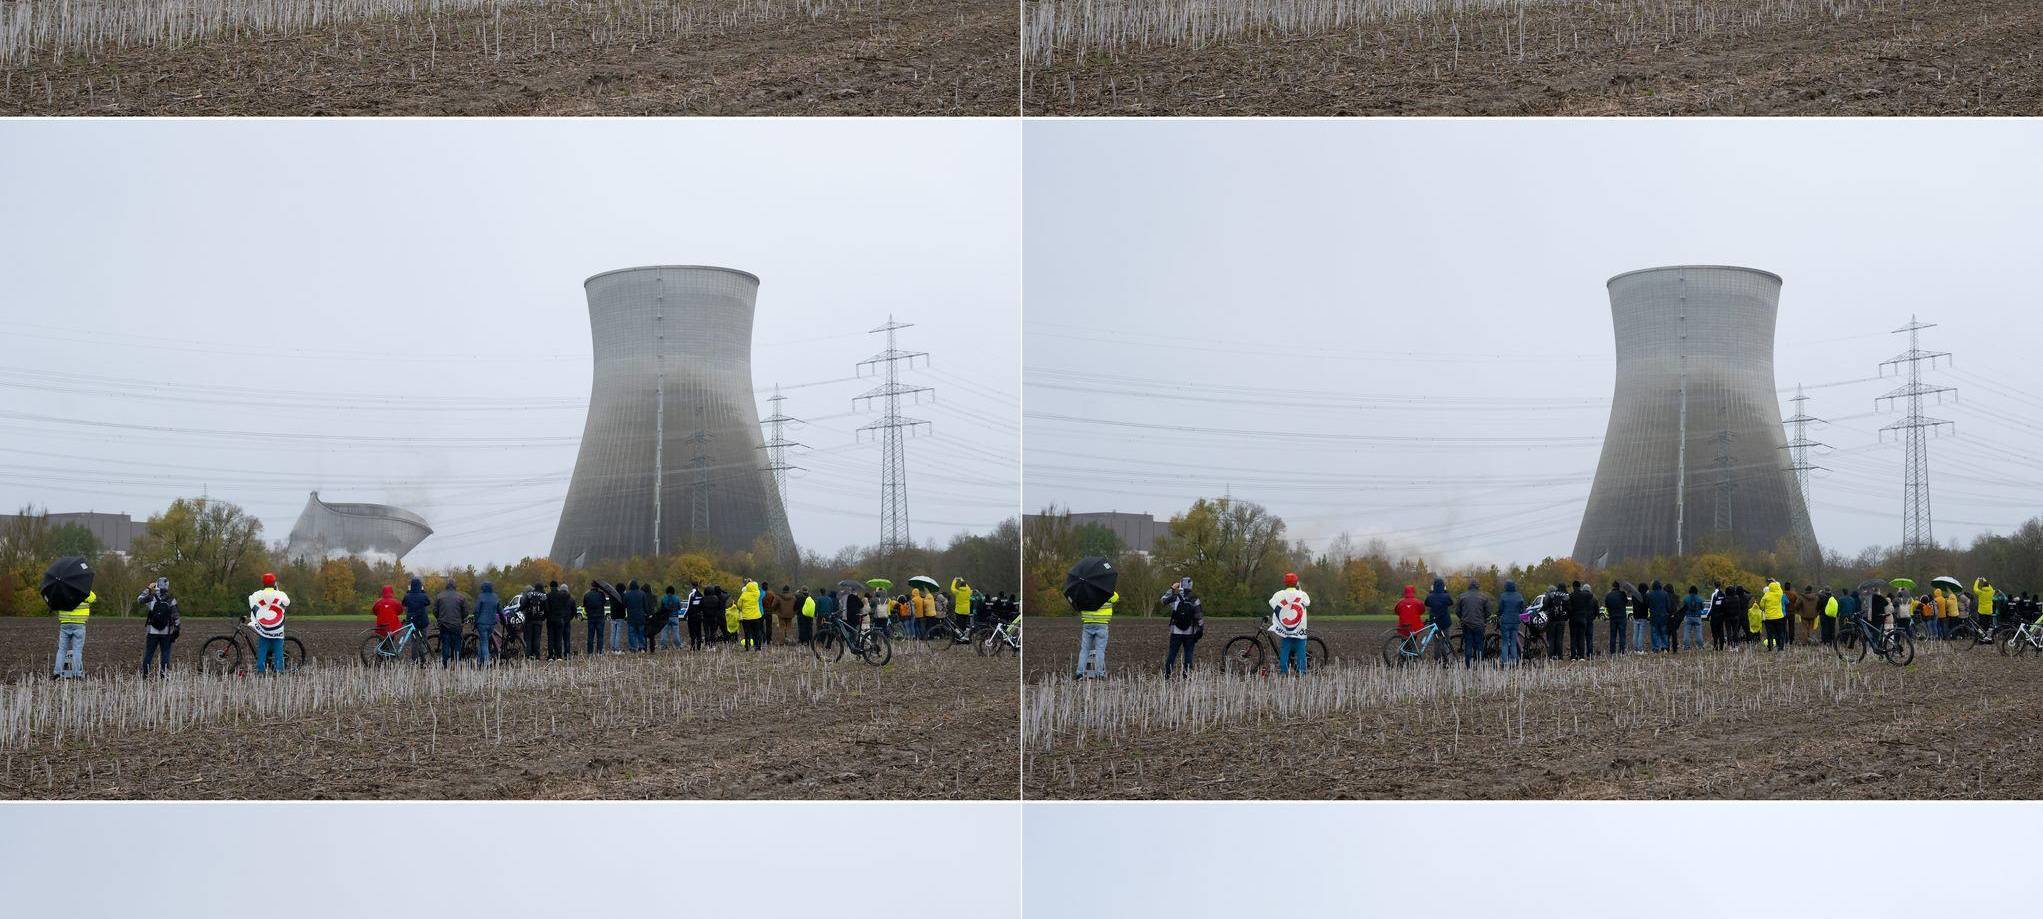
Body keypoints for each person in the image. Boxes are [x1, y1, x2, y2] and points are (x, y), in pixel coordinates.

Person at [1269, 572, 1313, 675]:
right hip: (1299, 628)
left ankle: (1284, 671)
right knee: (1301, 651)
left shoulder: (1279, 594)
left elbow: (1272, 603)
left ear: (1285, 583)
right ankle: (1302, 672)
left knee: (1285, 649)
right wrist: (1300, 589)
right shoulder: (1302, 594)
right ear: (1296, 582)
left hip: (1286, 628)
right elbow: (1307, 602)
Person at [248, 572, 290, 674]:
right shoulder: (280, 594)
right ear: (274, 583)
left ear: (263, 583)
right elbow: (286, 602)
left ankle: (261, 670)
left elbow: (251, 600)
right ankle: (279, 670)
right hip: (277, 628)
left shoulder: (257, 594)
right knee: (278, 650)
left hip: (264, 628)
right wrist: (278, 590)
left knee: (262, 649)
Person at [138, 577, 180, 677]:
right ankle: (164, 674)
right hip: (166, 632)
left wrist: (148, 588)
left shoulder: (151, 597)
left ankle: (145, 674)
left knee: (149, 653)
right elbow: (176, 616)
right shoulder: (171, 599)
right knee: (165, 653)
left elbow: (139, 599)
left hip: (152, 632)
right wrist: (177, 629)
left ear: (157, 585)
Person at [1161, 577, 1203, 677]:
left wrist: (1171, 588)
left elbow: (1163, 601)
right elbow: (1199, 616)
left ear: (1180, 585)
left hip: (1175, 632)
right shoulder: (1194, 599)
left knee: (1172, 654)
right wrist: (1200, 629)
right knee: (1188, 654)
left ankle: (1167, 675)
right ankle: (1186, 675)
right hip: (1190, 633)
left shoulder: (1175, 597)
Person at [1075, 588, 1116, 680]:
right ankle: (1099, 674)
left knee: (1084, 650)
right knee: (1100, 651)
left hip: (1088, 623)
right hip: (1102, 624)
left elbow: (1078, 604)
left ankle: (1079, 674)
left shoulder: (1084, 592)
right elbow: (1116, 598)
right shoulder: (1107, 591)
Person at [1452, 579, 1490, 668]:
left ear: (1469, 586)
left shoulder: (1462, 596)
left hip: (1466, 624)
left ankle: (1468, 666)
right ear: (1477, 586)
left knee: (1468, 644)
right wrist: (1483, 619)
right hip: (1479, 625)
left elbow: (1457, 611)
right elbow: (1488, 612)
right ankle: (1479, 665)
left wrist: (1463, 618)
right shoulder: (1484, 597)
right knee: (1479, 645)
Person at [434, 578, 469, 668]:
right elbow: (466, 612)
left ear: (446, 586)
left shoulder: (439, 596)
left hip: (444, 625)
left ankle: (445, 664)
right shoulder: (461, 597)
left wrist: (439, 618)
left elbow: (435, 611)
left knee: (445, 644)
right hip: (456, 625)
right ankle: (457, 663)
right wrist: (461, 619)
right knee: (457, 644)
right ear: (455, 586)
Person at [402, 576, 431, 662]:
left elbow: (404, 603)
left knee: (414, 642)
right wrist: (422, 591)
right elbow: (428, 602)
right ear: (420, 585)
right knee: (423, 640)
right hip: (423, 622)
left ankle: (415, 660)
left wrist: (409, 592)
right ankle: (423, 660)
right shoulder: (423, 596)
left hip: (412, 622)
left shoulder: (407, 596)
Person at [1496, 581, 1524, 666]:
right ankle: (1514, 662)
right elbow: (1522, 608)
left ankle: (1504, 663)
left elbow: (1500, 609)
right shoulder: (1519, 596)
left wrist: (1500, 615)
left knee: (1505, 643)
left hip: (1505, 622)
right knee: (1513, 642)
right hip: (1515, 621)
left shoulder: (1503, 596)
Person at [1568, 580, 1597, 660]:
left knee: (1573, 638)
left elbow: (1569, 608)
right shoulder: (1585, 595)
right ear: (1580, 586)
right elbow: (1591, 595)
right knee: (1581, 638)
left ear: (1573, 587)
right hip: (1582, 619)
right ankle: (1581, 656)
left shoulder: (1571, 596)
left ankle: (1573, 656)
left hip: (1573, 619)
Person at [473, 582, 501, 667]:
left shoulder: (481, 596)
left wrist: (476, 621)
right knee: (483, 642)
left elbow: (476, 611)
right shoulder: (495, 597)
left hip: (482, 624)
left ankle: (487, 662)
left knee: (484, 643)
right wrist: (504, 620)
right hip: (491, 624)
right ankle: (479, 662)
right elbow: (500, 609)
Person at [735, 578, 764, 651]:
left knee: (747, 632)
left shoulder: (744, 595)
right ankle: (758, 646)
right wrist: (752, 582)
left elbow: (739, 605)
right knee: (757, 632)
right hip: (756, 616)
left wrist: (743, 609)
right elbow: (755, 585)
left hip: (746, 617)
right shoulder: (757, 593)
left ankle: (747, 647)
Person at [652, 586, 682, 652]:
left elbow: (661, 608)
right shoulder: (677, 598)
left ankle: (663, 646)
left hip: (665, 618)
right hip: (674, 617)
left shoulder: (663, 598)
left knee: (664, 632)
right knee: (676, 633)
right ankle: (678, 646)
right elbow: (679, 607)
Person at [622, 581, 649, 652]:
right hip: (641, 617)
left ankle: (633, 648)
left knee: (631, 634)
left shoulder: (627, 595)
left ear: (630, 586)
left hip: (631, 617)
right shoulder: (642, 594)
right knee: (641, 633)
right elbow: (645, 606)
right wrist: (647, 614)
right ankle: (642, 647)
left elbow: (624, 605)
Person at [1604, 582, 1630, 655]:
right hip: (1622, 617)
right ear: (1619, 587)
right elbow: (1626, 602)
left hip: (1612, 617)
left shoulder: (1608, 595)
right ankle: (1622, 651)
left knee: (1613, 635)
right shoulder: (1622, 594)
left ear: (1613, 586)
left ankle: (1612, 651)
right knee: (1622, 635)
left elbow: (1606, 605)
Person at [583, 582, 609, 654]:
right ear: (598, 587)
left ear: (591, 586)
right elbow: (604, 603)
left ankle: (590, 652)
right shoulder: (601, 594)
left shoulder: (587, 595)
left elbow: (584, 605)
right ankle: (600, 652)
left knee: (590, 635)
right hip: (600, 617)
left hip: (591, 617)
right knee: (600, 636)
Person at [1644, 581, 1670, 653]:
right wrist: (1668, 612)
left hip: (1653, 616)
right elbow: (1668, 606)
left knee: (1654, 633)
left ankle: (1655, 648)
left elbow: (1646, 605)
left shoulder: (1649, 594)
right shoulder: (1665, 594)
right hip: (1663, 616)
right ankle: (1665, 647)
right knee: (1664, 633)